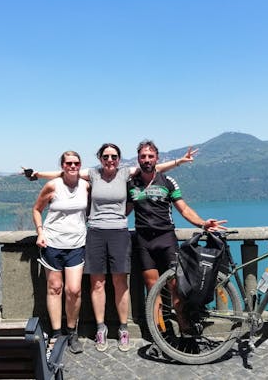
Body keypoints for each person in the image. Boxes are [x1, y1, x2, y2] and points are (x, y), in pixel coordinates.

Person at [23, 144, 197, 352]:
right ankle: (100, 328)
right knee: (97, 284)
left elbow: (153, 167)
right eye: (106, 156)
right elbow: (65, 172)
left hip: (119, 233)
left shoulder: (125, 173)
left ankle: (123, 328)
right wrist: (37, 174)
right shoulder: (93, 174)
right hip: (95, 232)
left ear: (119, 158)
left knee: (120, 282)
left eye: (114, 156)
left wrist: (179, 161)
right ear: (100, 158)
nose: (110, 159)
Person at [126, 140, 226, 331]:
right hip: (143, 240)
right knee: (152, 287)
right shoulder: (132, 184)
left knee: (175, 285)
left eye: (150, 156)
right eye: (143, 156)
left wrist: (202, 223)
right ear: (138, 159)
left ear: (157, 158)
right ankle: (159, 330)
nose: (146, 160)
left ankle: (183, 325)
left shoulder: (167, 181)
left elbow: (184, 209)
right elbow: (125, 210)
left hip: (166, 239)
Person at [32, 151, 90, 354]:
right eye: (68, 163)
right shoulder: (53, 186)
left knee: (74, 290)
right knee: (55, 288)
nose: (72, 166)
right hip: (53, 242)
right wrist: (40, 233)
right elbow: (37, 209)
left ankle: (71, 331)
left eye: (76, 163)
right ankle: (56, 333)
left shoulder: (86, 186)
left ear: (80, 165)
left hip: (76, 244)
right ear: (63, 165)